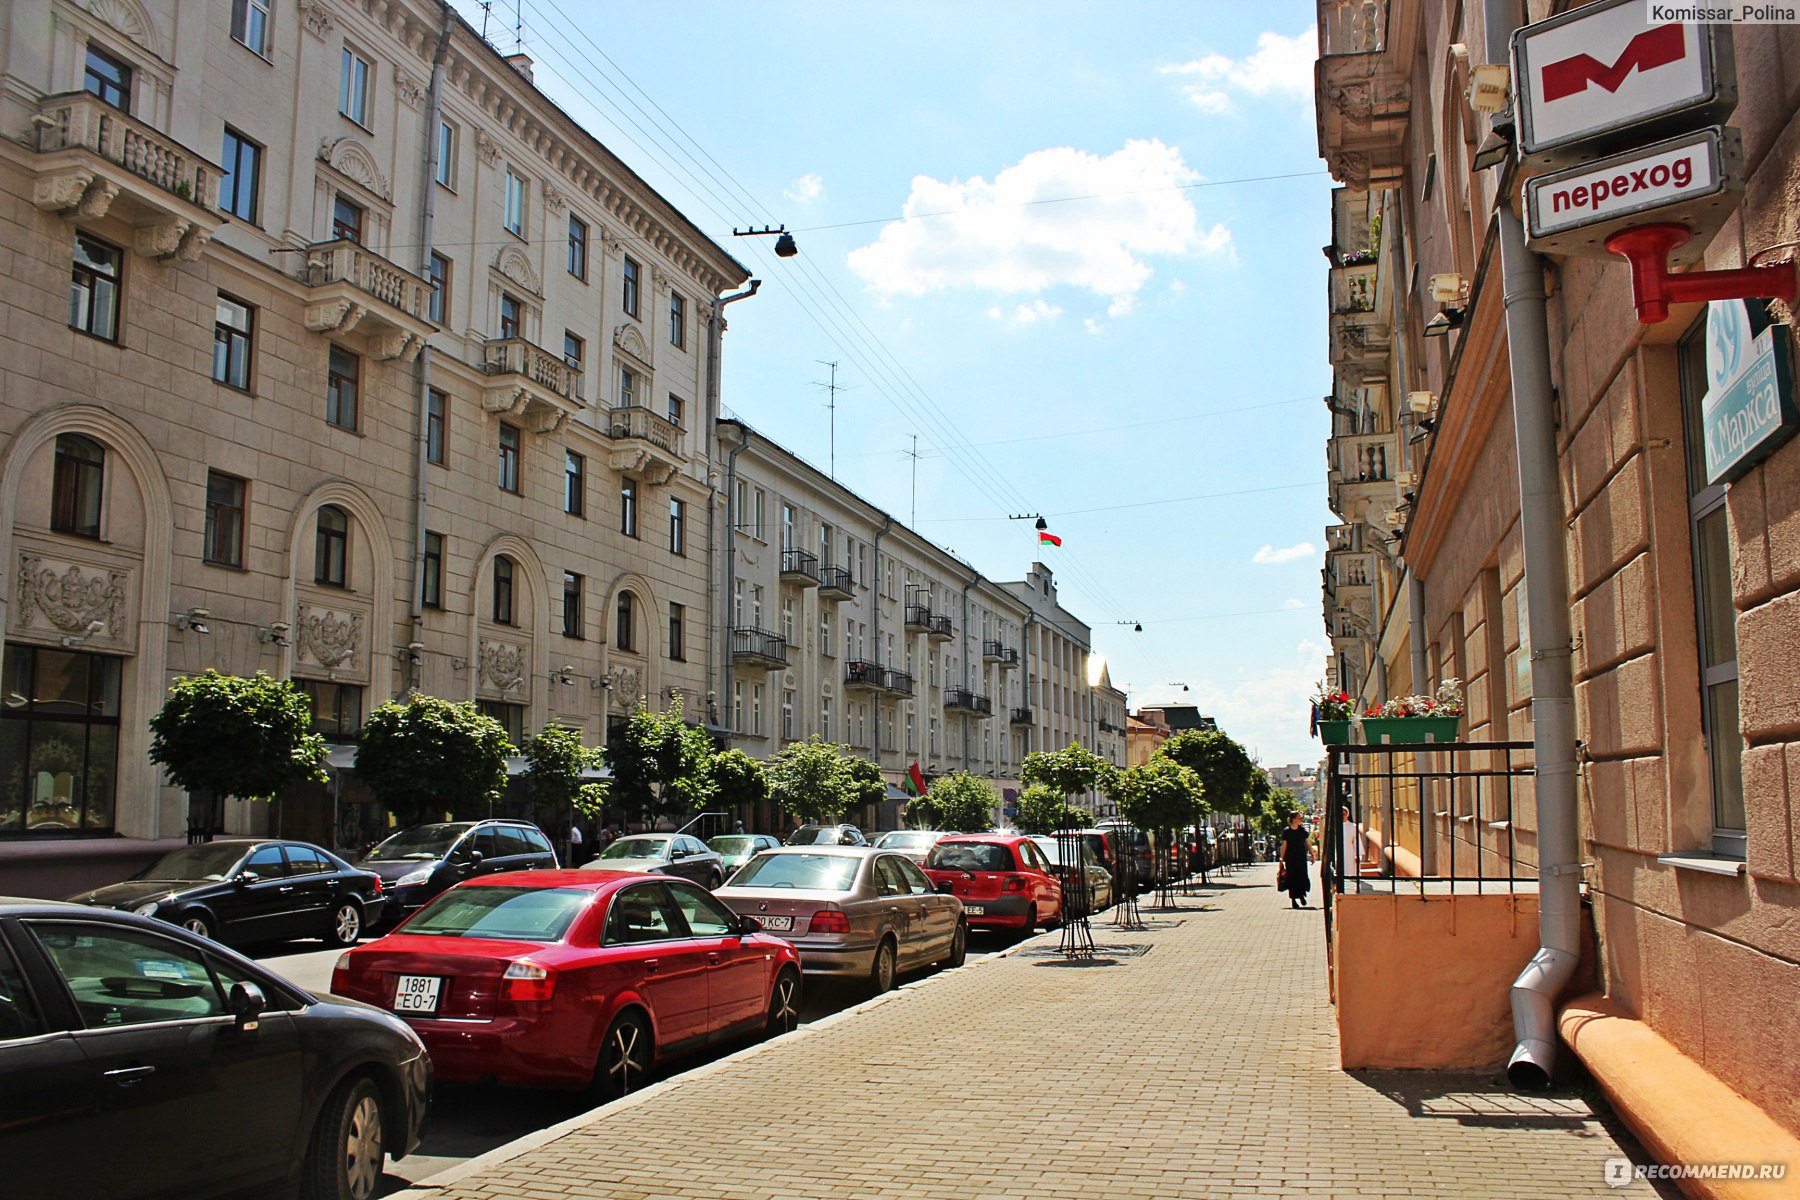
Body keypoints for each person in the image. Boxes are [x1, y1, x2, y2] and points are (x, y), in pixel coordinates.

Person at [1279, 813, 1314, 908]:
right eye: (1299, 818)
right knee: (1292, 878)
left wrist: (1312, 854)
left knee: (1302, 876)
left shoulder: (1302, 830)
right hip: (1290, 859)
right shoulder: (1287, 832)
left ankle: (1302, 895)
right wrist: (1281, 858)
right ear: (1294, 819)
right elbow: (1284, 845)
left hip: (1301, 857)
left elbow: (1308, 843)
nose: (1301, 819)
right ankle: (1293, 900)